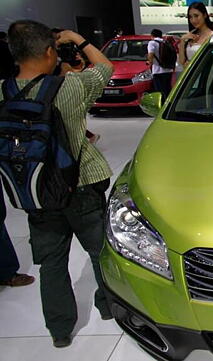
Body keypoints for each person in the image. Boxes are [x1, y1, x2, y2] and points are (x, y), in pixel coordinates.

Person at [1, 19, 114, 348]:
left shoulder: (1, 91)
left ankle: (60, 330)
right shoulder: (71, 87)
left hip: (34, 190)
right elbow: (105, 67)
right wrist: (79, 39)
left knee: (51, 262)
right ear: (50, 51)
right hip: (80, 184)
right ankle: (108, 307)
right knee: (98, 252)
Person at [178, 1, 213, 67]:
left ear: (205, 15)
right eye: (190, 17)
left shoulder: (212, 36)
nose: (193, 20)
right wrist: (182, 41)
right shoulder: (190, 35)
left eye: (196, 16)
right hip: (192, 75)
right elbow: (182, 61)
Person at [147, 29, 173, 101]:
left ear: (152, 35)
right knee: (168, 89)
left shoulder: (152, 43)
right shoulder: (166, 42)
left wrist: (149, 61)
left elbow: (150, 55)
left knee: (160, 92)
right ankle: (169, 104)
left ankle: (162, 107)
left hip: (158, 71)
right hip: (168, 69)